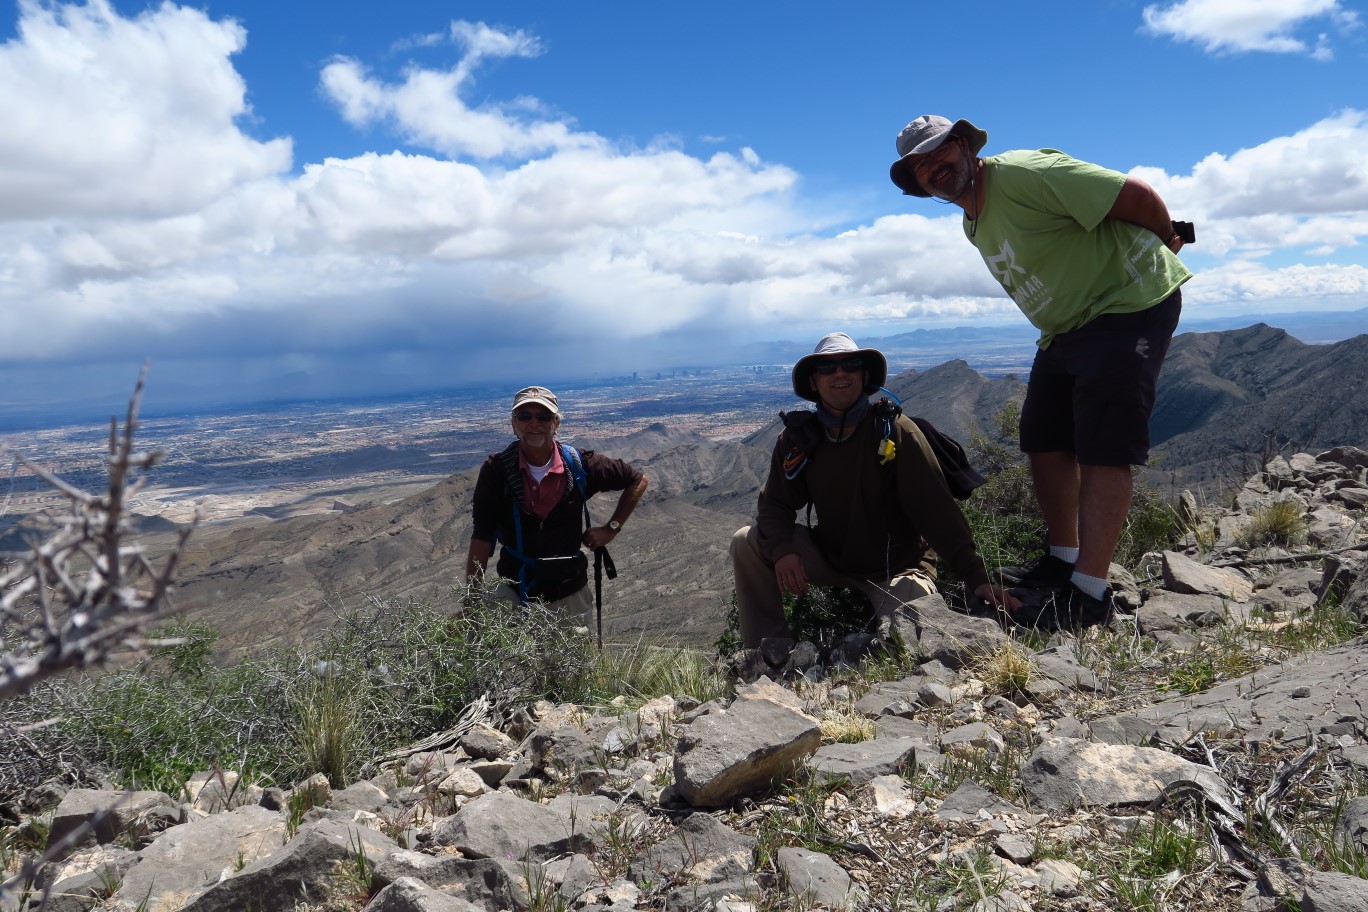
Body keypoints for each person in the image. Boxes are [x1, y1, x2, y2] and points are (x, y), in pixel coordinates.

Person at [888, 115, 1193, 627]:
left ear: (964, 146)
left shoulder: (1022, 174)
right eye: (920, 166)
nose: (933, 168)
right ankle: (1063, 559)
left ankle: (1089, 594)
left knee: (1104, 443)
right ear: (917, 183)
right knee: (1044, 436)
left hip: (1125, 305)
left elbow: (1135, 193)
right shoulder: (973, 220)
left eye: (939, 153)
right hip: (1067, 329)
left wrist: (1166, 239)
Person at [730, 332, 1019, 648]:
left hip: (899, 568)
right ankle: (767, 653)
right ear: (814, 382)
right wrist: (784, 550)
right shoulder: (800, 439)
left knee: (911, 641)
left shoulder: (894, 432)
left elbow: (936, 510)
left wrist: (976, 579)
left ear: (864, 375)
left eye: (850, 364)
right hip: (833, 559)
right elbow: (774, 504)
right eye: (827, 368)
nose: (839, 373)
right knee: (746, 542)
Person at [466, 386, 648, 629]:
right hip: (514, 591)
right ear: (513, 424)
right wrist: (472, 601)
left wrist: (611, 529)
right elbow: (482, 536)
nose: (534, 423)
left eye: (543, 417)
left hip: (568, 592)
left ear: (556, 423)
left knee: (572, 666)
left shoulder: (579, 464)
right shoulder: (497, 471)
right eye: (525, 416)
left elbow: (637, 480)